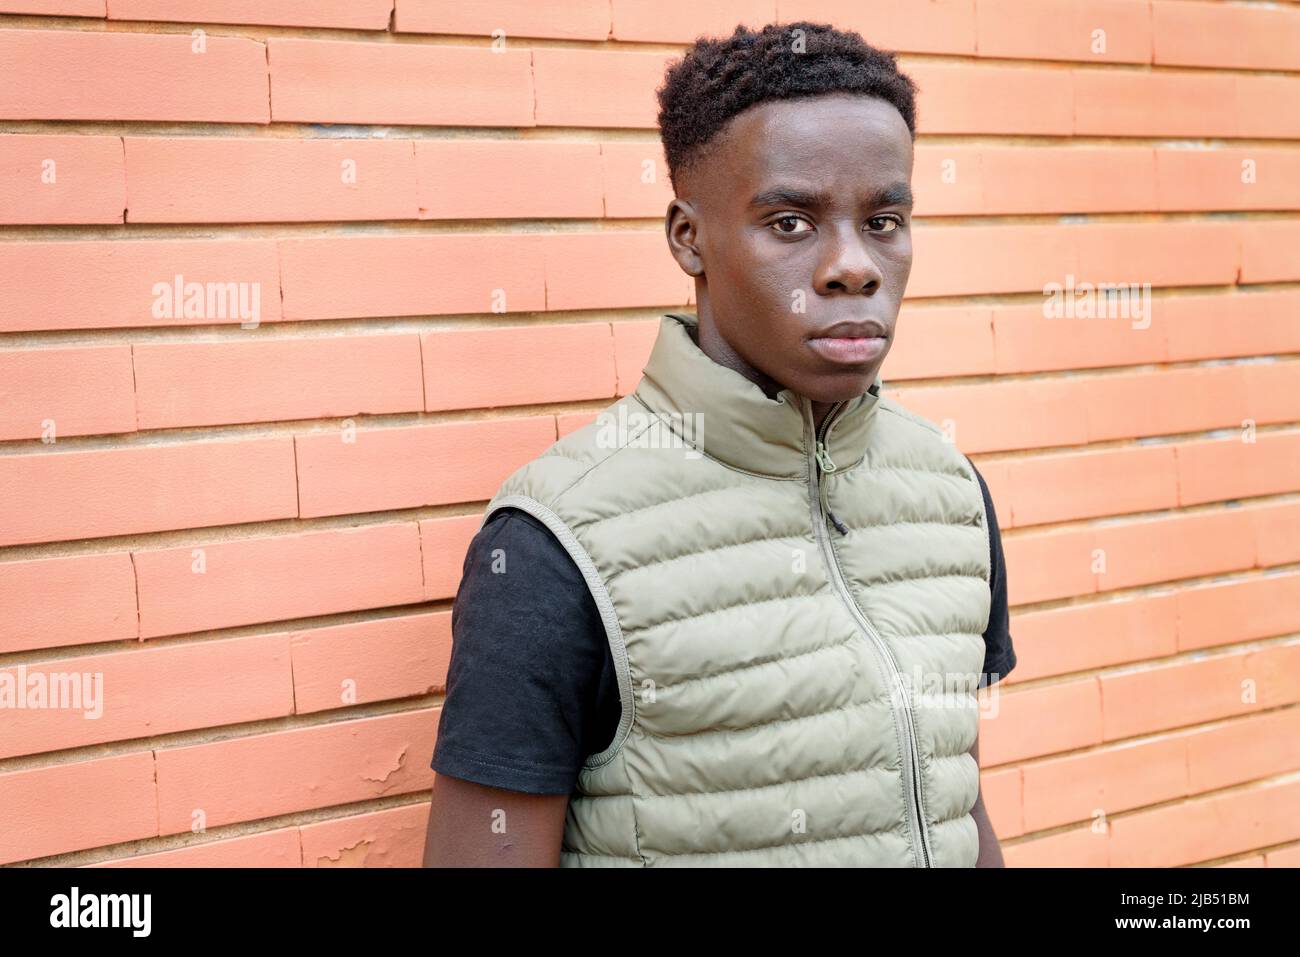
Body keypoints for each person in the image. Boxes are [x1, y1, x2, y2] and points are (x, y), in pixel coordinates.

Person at [423, 20, 1016, 867]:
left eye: (884, 220)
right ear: (688, 238)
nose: (854, 266)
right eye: (789, 222)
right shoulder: (556, 543)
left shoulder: (948, 492)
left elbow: (951, 805)